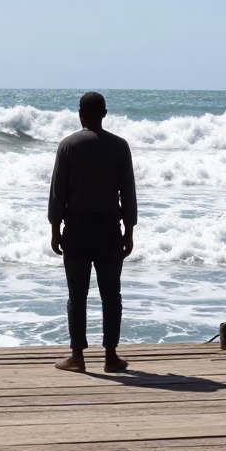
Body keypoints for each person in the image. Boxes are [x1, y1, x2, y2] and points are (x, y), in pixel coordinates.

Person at [48, 91, 137, 373]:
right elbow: (128, 193)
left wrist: (55, 228)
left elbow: (58, 192)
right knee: (111, 295)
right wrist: (129, 230)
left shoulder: (68, 145)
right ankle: (111, 357)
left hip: (76, 231)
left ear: (80, 114)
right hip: (109, 231)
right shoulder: (119, 146)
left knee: (77, 295)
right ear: (105, 114)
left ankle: (77, 357)